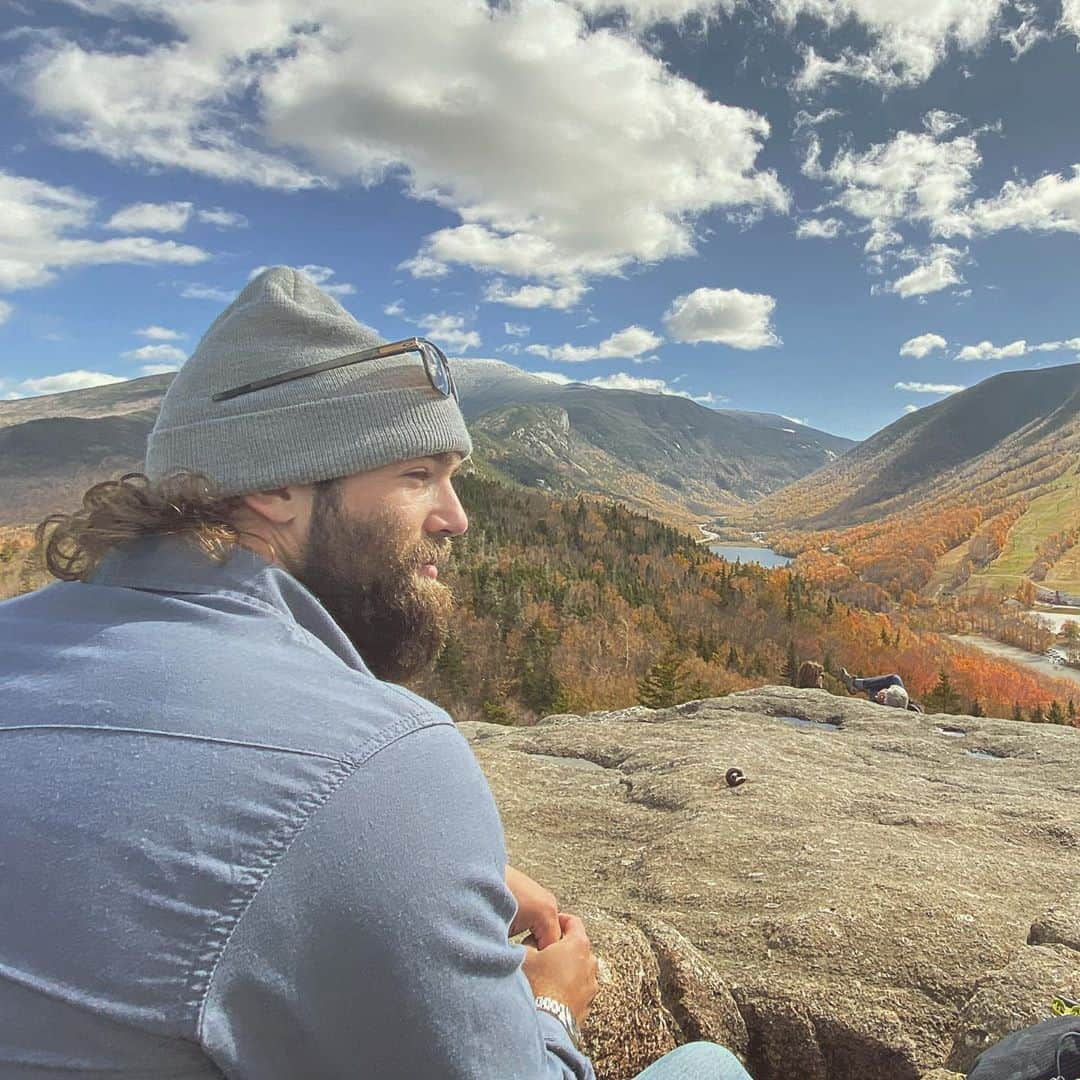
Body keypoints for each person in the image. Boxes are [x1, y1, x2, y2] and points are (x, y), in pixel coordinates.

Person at [0, 268, 753, 1080]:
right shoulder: (377, 758)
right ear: (276, 485)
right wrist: (549, 1007)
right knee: (705, 1066)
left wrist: (401, 865)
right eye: (416, 474)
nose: (457, 518)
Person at [839, 667, 924, 712]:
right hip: (903, 702)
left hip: (893, 705)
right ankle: (855, 684)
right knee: (894, 679)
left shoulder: (884, 702)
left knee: (874, 691)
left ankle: (855, 685)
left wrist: (881, 698)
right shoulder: (915, 709)